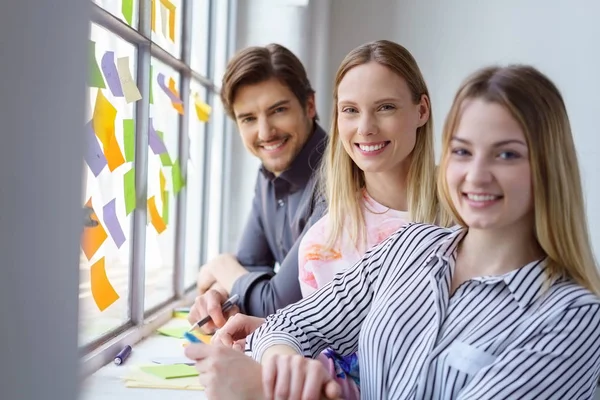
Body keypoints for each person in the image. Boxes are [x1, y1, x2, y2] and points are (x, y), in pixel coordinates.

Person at [188, 64, 600, 399]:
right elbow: (286, 326)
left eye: (506, 154)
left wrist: (263, 390)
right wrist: (284, 366)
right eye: (462, 151)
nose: (476, 175)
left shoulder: (573, 317)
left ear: (547, 167)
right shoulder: (410, 245)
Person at [188, 43, 328, 333]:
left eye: (278, 110)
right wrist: (219, 294)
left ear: (309, 105)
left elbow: (275, 305)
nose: (265, 133)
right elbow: (251, 267)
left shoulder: (338, 179)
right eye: (248, 118)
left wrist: (219, 265)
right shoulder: (268, 174)